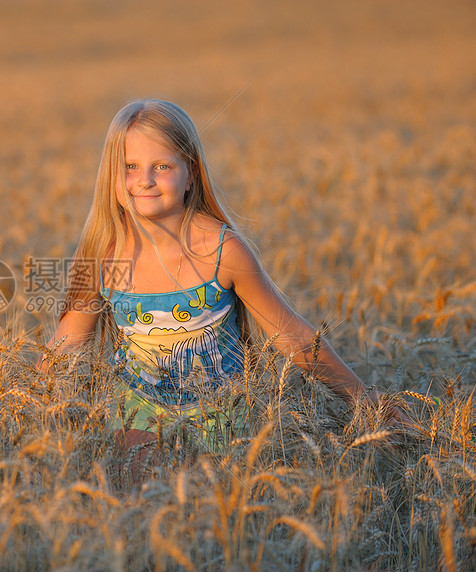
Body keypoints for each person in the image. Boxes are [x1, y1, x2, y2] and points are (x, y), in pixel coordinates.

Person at [37, 99, 407, 469]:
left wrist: (364, 399)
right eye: (129, 167)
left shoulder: (221, 251)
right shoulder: (103, 253)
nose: (144, 180)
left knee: (214, 492)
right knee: (139, 487)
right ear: (111, 176)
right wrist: (26, 401)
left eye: (162, 166)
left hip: (223, 411)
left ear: (191, 174)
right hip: (137, 408)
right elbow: (68, 340)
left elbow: (289, 334)